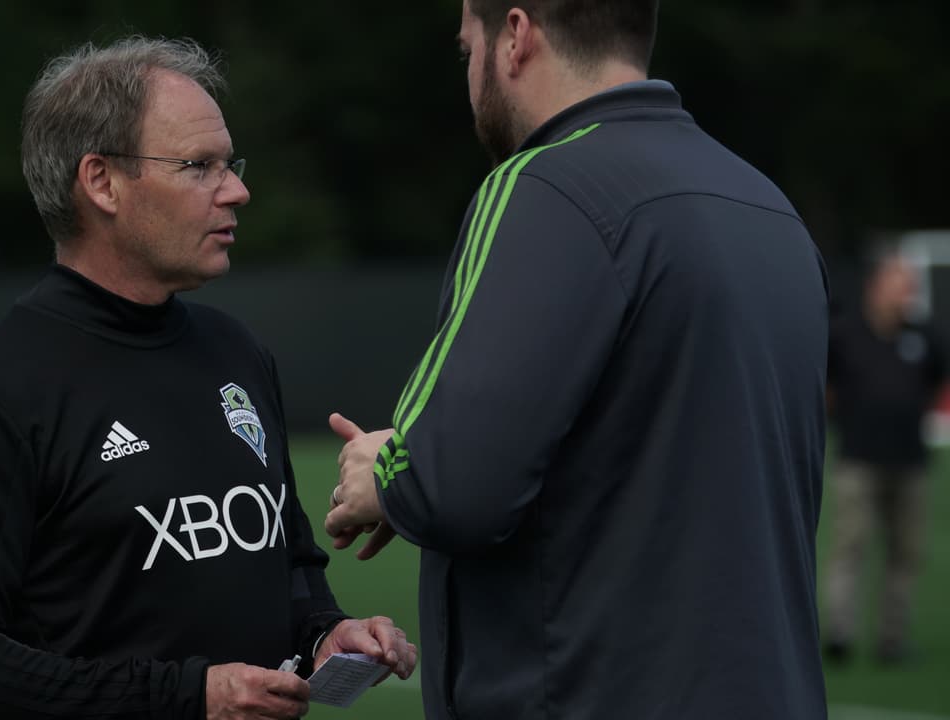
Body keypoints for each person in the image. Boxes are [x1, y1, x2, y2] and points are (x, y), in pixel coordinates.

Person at [323, 1, 829, 718]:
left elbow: (455, 486)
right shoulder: (768, 205)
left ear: (516, 37)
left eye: (468, 49)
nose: (469, 76)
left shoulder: (545, 185)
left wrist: (386, 472)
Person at [0, 37, 416, 720]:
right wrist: (186, 697)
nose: (237, 190)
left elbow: (286, 564)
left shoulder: (237, 353)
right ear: (101, 182)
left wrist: (324, 635)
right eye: (199, 166)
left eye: (231, 164)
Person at [824, 246, 944, 665]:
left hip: (909, 461)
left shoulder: (924, 336)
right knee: (850, 547)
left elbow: (932, 384)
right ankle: (839, 634)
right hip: (858, 458)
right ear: (877, 287)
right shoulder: (845, 334)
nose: (907, 292)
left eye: (910, 285)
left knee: (905, 553)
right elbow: (829, 389)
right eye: (899, 283)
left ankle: (892, 639)